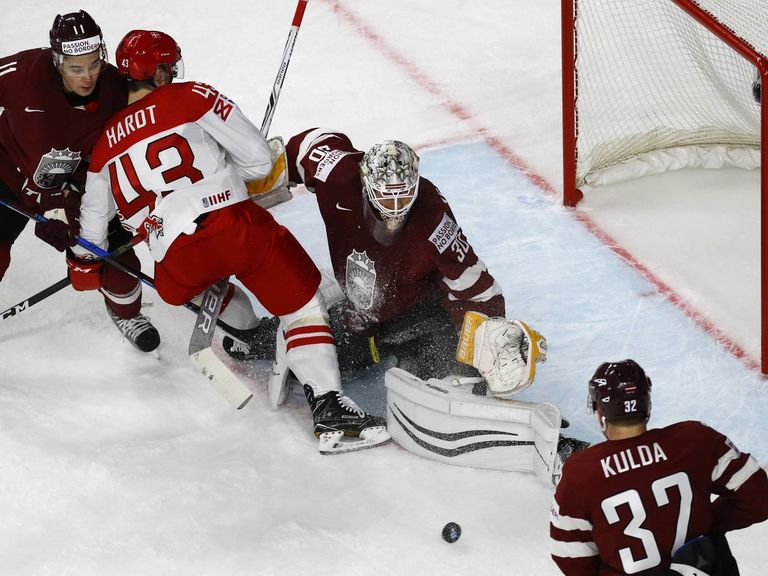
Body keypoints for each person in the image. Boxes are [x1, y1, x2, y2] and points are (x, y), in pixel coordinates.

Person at [71, 29, 390, 453]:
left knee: (207, 281)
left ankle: (248, 336)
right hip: (234, 230)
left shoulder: (102, 148)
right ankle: (331, 412)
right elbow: (259, 161)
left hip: (173, 266)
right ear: (161, 72)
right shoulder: (190, 96)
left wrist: (84, 261)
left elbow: (90, 242)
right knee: (302, 305)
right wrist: (229, 171)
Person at [224, 129, 547, 397]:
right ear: (366, 180)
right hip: (360, 314)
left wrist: (488, 333)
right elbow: (312, 143)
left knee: (439, 385)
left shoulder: (433, 218)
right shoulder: (338, 172)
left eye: (404, 196)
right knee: (307, 360)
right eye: (386, 195)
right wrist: (264, 168)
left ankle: (442, 368)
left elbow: (474, 285)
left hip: (420, 315)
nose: (396, 207)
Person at [0, 10, 160, 352]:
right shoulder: (23, 74)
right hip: (8, 173)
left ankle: (126, 312)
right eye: (76, 68)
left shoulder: (117, 87)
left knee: (116, 259)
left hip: (79, 185)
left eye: (93, 64)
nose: (87, 76)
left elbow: (157, 118)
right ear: (57, 61)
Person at [550, 359, 768, 576]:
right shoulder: (695, 440)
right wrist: (706, 527)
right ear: (647, 405)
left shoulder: (579, 474)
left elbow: (572, 560)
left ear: (600, 414)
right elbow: (759, 498)